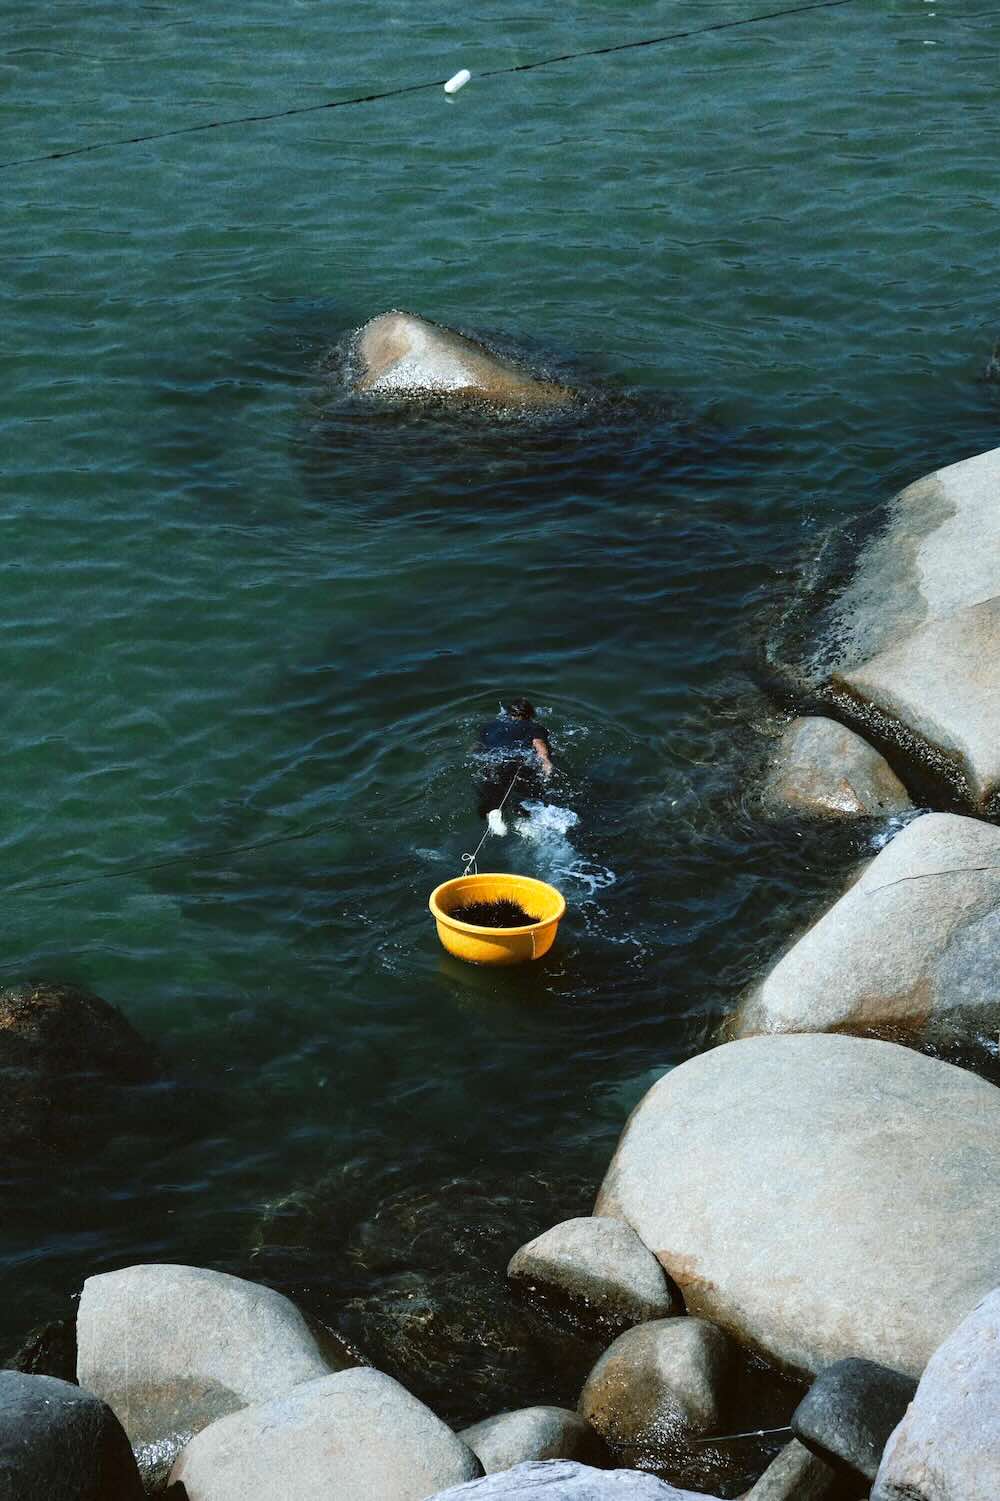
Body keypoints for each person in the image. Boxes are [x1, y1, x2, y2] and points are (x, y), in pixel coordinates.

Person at [474, 699, 553, 831]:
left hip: (491, 764)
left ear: (508, 713)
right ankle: (523, 823)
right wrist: (546, 762)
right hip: (516, 766)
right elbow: (539, 745)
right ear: (529, 714)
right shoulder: (535, 727)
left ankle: (493, 813)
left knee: (492, 792)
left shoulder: (489, 726)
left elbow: (475, 748)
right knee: (529, 797)